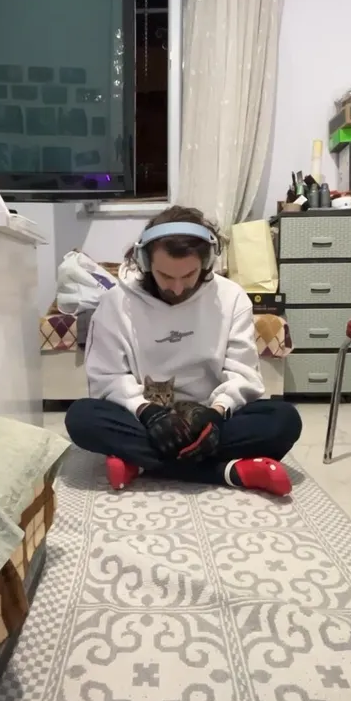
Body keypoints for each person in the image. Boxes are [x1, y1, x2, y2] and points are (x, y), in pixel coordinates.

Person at [64, 206, 303, 495]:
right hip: (146, 417)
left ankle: (141, 463)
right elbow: (107, 377)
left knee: (284, 421)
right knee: (82, 418)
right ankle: (227, 471)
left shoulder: (232, 297)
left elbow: (243, 374)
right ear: (145, 262)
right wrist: (147, 411)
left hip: (209, 417)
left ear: (207, 262)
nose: (177, 288)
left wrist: (217, 414)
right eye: (165, 276)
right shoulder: (116, 302)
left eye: (189, 275)